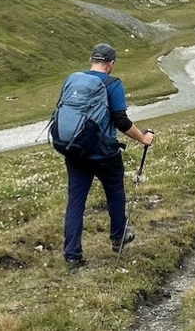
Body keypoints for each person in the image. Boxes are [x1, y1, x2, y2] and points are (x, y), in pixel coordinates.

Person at [61, 43, 155, 269]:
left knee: (75, 202)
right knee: (115, 192)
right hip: (103, 152)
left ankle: (72, 256)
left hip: (74, 149)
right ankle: (117, 237)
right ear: (111, 64)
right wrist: (142, 138)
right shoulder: (112, 84)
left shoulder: (73, 79)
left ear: (91, 61)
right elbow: (121, 121)